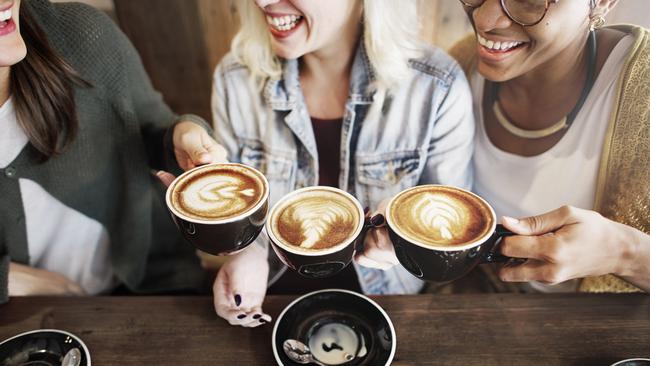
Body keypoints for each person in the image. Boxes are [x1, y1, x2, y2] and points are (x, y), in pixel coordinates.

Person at [208, 0, 475, 327]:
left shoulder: (436, 86)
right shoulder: (234, 79)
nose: (263, 1)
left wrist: (407, 241)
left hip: (390, 310)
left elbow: (451, 239)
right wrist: (245, 252)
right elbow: (240, 217)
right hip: (272, 301)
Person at [362, 0, 650, 293]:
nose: (484, 20)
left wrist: (625, 254)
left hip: (597, 332)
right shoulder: (460, 67)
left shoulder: (643, 87)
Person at [0, 0, 225, 303]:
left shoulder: (81, 33)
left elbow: (152, 129)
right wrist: (9, 279)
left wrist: (183, 134)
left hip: (154, 287)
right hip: (25, 319)